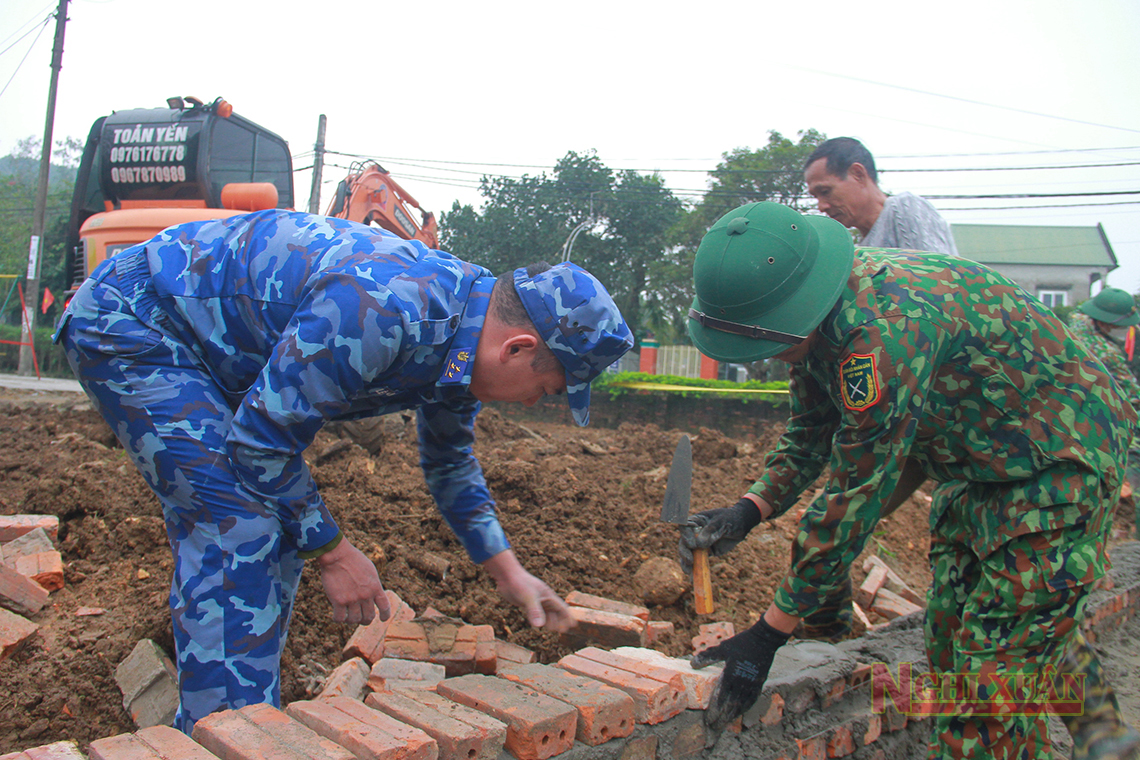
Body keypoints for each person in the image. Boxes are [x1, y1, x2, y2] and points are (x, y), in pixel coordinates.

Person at [53, 209, 634, 733]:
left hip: (210, 353)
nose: (534, 402)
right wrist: (334, 552)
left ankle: (243, 718)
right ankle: (225, 738)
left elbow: (451, 463)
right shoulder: (385, 307)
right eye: (547, 386)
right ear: (517, 348)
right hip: (136, 322)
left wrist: (507, 570)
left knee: (277, 527)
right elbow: (260, 443)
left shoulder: (461, 338)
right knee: (240, 527)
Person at [678, 201, 1140, 758]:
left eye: (768, 345)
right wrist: (748, 509)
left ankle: (1078, 735)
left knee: (984, 700)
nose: (767, 359)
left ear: (800, 310)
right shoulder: (817, 317)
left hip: (1060, 463)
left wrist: (768, 634)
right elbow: (808, 435)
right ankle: (1102, 735)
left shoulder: (883, 337)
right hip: (976, 464)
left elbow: (856, 492)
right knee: (949, 644)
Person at [803, 136, 959, 255]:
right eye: (816, 197)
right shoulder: (860, 250)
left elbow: (938, 282)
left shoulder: (904, 208)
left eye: (825, 192)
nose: (821, 206)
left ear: (858, 174)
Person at [1069, 287, 1140, 534]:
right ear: (1106, 322)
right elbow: (1131, 395)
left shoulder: (1073, 325)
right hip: (1100, 417)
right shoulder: (1106, 352)